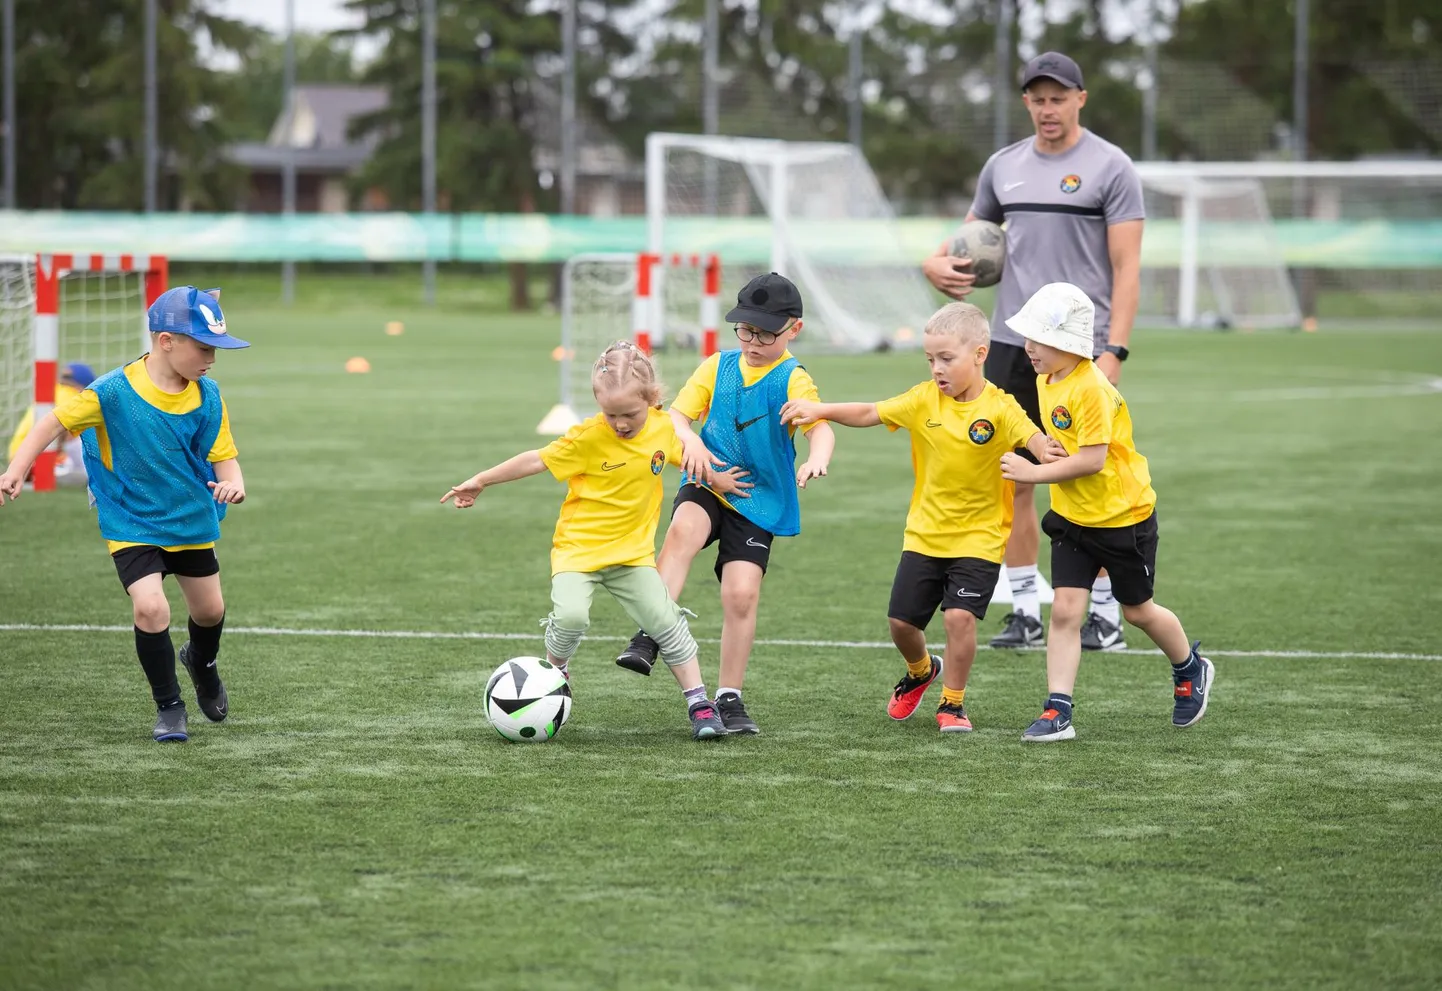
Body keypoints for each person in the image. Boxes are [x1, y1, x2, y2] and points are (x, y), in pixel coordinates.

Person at [923, 50, 1145, 654]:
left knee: (1084, 481)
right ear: (1026, 102)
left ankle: (1104, 615)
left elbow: (1127, 269)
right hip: (1013, 346)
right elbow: (967, 242)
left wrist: (1115, 349)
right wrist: (934, 262)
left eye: (1058, 97)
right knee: (1012, 478)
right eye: (1038, 98)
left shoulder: (1111, 167)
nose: (1048, 108)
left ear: (1080, 98)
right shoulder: (1003, 167)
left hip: (1081, 352)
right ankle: (1023, 610)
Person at [441, 340, 749, 741]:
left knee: (664, 622)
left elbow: (685, 456)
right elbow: (535, 459)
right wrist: (480, 480)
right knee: (570, 618)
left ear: (652, 399)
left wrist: (717, 478)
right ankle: (556, 673)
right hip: (578, 550)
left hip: (632, 555)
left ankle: (699, 703)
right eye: (610, 414)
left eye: (629, 414)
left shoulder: (661, 428)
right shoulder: (587, 437)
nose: (620, 423)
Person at [780, 302, 1059, 732]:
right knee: (901, 624)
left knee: (958, 618)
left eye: (947, 358)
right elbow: (871, 412)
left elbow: (1034, 439)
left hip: (980, 537)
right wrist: (822, 410)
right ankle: (920, 671)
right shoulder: (922, 399)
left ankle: (953, 703)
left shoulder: (1001, 408)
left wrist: (1046, 457)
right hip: (924, 535)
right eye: (930, 359)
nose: (936, 369)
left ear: (980, 354)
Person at [0, 287, 249, 743]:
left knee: (210, 611)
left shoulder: (209, 396)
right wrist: (17, 469)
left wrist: (235, 483)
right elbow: (54, 422)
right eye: (204, 347)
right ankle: (170, 706)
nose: (212, 358)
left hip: (190, 516)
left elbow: (224, 455)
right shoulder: (113, 391)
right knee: (151, 607)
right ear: (166, 340)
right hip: (130, 518)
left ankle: (203, 664)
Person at [611, 272, 836, 735]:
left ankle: (729, 697)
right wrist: (690, 441)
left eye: (765, 332)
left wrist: (818, 457)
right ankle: (651, 632)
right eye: (745, 329)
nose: (752, 341)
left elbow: (820, 426)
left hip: (757, 497)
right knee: (681, 533)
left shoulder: (795, 380)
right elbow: (675, 416)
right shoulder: (717, 366)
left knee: (740, 594)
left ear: (794, 328)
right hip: (710, 481)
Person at [998, 282, 1213, 742]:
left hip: (1122, 518)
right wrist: (1051, 449)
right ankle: (1058, 709)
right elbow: (1071, 444)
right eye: (1027, 337)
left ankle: (1190, 667)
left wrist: (1031, 472)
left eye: (1038, 339)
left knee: (1137, 611)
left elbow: (1095, 459)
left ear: (1068, 343)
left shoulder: (1092, 388)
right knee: (1065, 612)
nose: (1028, 348)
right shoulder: (1045, 377)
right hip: (1073, 518)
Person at [7, 362, 97, 484]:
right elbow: (65, 434)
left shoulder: (52, 393)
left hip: (16, 460)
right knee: (85, 435)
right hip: (38, 463)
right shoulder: (76, 398)